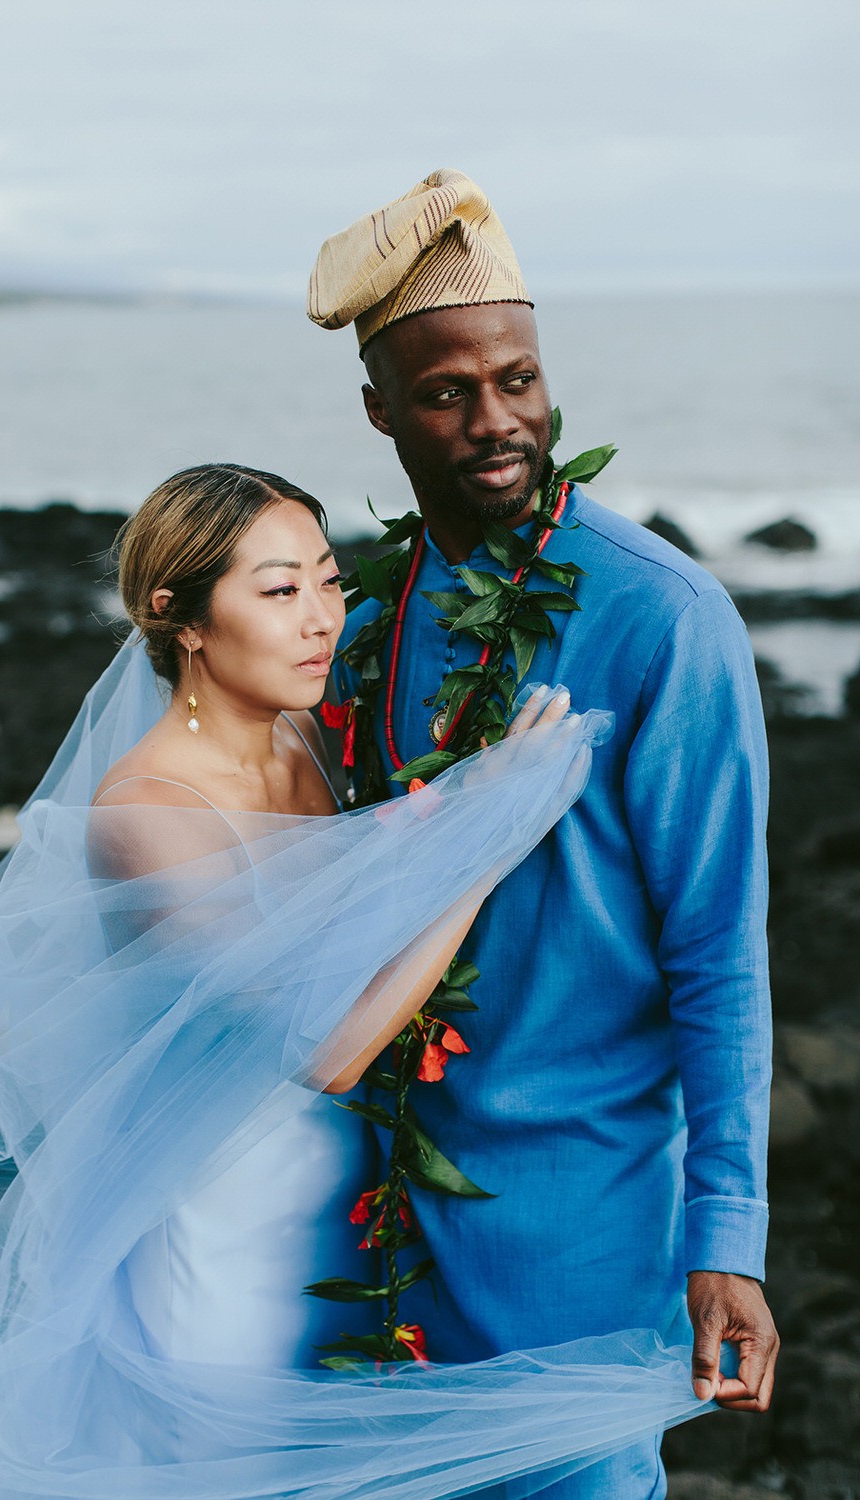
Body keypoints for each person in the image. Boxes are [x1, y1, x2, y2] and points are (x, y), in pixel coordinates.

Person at [0, 461, 723, 1500]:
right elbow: (325, 1047)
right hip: (224, 1234)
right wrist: (487, 834)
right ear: (178, 618)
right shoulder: (148, 813)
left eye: (326, 579)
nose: (319, 618)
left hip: (346, 1217)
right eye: (277, 592)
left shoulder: (304, 735)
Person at [308, 169, 779, 1499]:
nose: (494, 421)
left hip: (581, 1218)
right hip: (368, 1216)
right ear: (381, 411)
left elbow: (718, 951)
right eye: (447, 392)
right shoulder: (360, 631)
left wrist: (726, 1239)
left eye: (516, 380)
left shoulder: (664, 618)